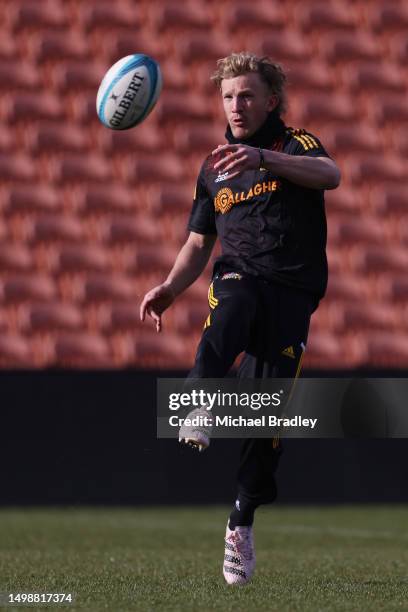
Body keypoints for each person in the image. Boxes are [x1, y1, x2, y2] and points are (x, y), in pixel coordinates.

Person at [140, 52, 340, 585]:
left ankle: (241, 520)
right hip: (240, 278)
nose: (235, 105)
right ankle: (200, 399)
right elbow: (198, 242)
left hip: (294, 296)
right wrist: (169, 287)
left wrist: (263, 160)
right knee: (233, 302)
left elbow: (331, 174)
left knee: (265, 427)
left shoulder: (294, 145)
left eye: (246, 95)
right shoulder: (212, 166)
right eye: (228, 96)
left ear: (271, 100)